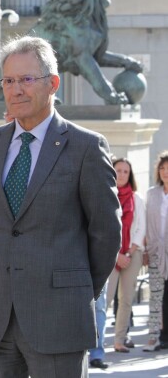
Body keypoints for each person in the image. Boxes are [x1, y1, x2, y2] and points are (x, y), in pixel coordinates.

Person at [0, 35, 121, 378]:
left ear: (53, 84)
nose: (16, 89)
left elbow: (106, 234)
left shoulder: (86, 147)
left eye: (26, 80)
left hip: (59, 319)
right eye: (8, 81)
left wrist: (74, 288)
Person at [106, 157, 145, 354]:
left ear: (130, 175)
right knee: (105, 299)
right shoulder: (106, 194)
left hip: (132, 253)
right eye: (118, 170)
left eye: (125, 171)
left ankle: (119, 340)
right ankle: (95, 344)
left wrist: (128, 252)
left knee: (126, 299)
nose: (121, 174)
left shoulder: (136, 199)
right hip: (110, 256)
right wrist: (117, 254)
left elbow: (141, 228)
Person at [143, 150, 168, 352]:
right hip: (155, 252)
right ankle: (153, 336)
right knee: (156, 295)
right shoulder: (152, 194)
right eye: (162, 168)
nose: (165, 172)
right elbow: (144, 223)